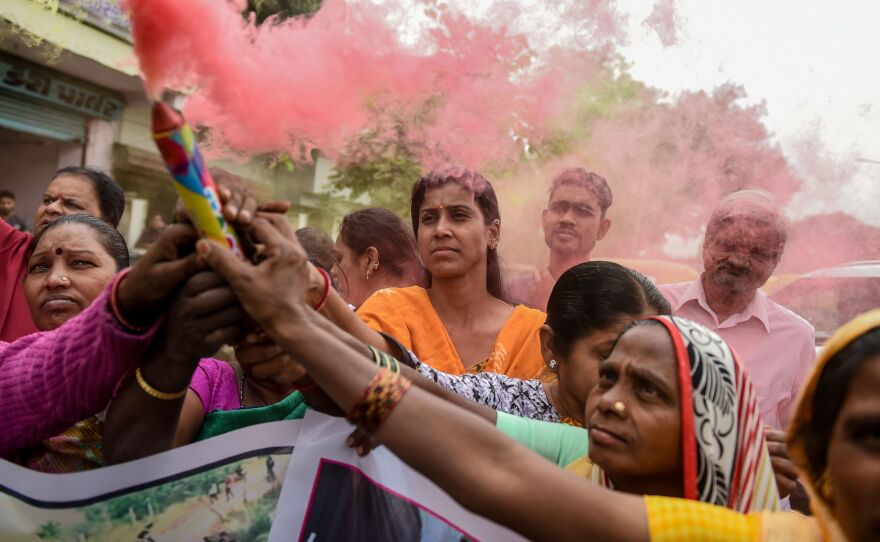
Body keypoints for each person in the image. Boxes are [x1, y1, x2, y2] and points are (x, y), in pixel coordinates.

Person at [204, 217, 862, 540]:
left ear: (711, 425)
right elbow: (449, 411)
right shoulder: (580, 458)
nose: (608, 403)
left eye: (650, 391)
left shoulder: (753, 535)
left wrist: (300, 323)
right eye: (609, 376)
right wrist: (308, 312)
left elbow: (494, 470)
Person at [0, 217, 209, 459]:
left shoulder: (194, 376)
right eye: (39, 267)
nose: (55, 280)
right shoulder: (10, 362)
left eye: (80, 263)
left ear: (123, 276)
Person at [356, 167, 546, 379]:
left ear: (492, 233)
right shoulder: (389, 312)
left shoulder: (534, 335)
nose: (440, 230)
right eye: (429, 219)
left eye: (458, 216)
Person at [661, 190, 815, 434]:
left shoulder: (797, 336)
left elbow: (801, 437)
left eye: (757, 253)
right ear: (706, 243)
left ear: (775, 261)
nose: (739, 261)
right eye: (729, 245)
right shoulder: (655, 305)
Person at [0, 167, 125, 342]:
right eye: (47, 200)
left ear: (107, 224)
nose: (52, 208)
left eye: (71, 204)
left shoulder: (125, 293)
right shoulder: (11, 246)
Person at [507, 168, 612, 311]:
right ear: (544, 219)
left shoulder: (612, 300)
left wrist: (548, 307)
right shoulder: (511, 292)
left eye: (583, 211)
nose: (566, 219)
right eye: (559, 208)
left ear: (602, 229)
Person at [332, 207, 424, 307]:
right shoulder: (428, 307)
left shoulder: (375, 318)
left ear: (370, 260)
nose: (333, 270)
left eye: (339, 259)